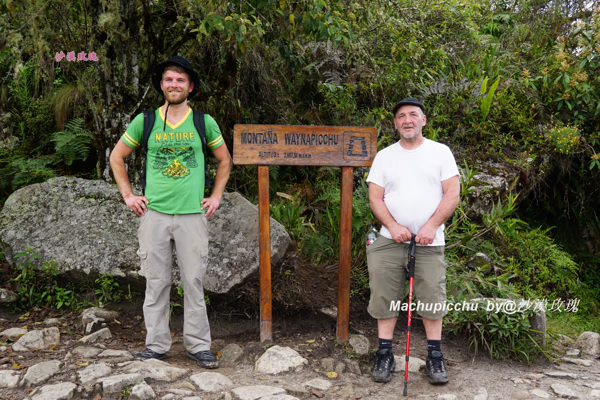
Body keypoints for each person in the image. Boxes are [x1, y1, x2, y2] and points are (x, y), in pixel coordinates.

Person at [110, 56, 232, 368]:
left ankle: (198, 346)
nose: (174, 85)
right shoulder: (145, 121)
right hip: (155, 214)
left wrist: (215, 197)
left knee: (193, 281)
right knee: (156, 281)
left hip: (193, 215)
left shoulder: (203, 122)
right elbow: (117, 157)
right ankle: (156, 345)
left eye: (180, 80)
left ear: (190, 87)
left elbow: (225, 159)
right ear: (161, 85)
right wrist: (128, 195)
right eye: (168, 80)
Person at [366, 97, 460, 384]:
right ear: (395, 124)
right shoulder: (384, 156)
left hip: (430, 242)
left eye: (413, 115)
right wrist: (392, 226)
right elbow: (375, 196)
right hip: (388, 240)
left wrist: (432, 226)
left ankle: (434, 356)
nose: (407, 120)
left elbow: (452, 193)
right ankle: (384, 354)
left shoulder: (440, 152)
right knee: (384, 295)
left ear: (423, 120)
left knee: (432, 296)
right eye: (401, 116)